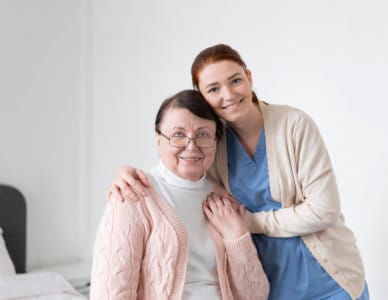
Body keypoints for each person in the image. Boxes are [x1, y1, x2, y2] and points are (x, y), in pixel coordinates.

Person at [108, 44, 370, 300]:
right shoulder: (210, 142)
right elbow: (176, 168)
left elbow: (323, 211)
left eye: (235, 80)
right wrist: (127, 173)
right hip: (268, 284)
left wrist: (247, 223)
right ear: (202, 96)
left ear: (249, 77)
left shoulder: (294, 125)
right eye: (214, 89)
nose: (229, 94)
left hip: (330, 280)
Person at [90, 89, 269, 300]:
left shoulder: (225, 200)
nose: (191, 145)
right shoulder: (132, 195)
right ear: (159, 140)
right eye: (178, 134)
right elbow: (110, 294)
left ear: (216, 141)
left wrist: (236, 236)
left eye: (203, 134)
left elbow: (256, 296)